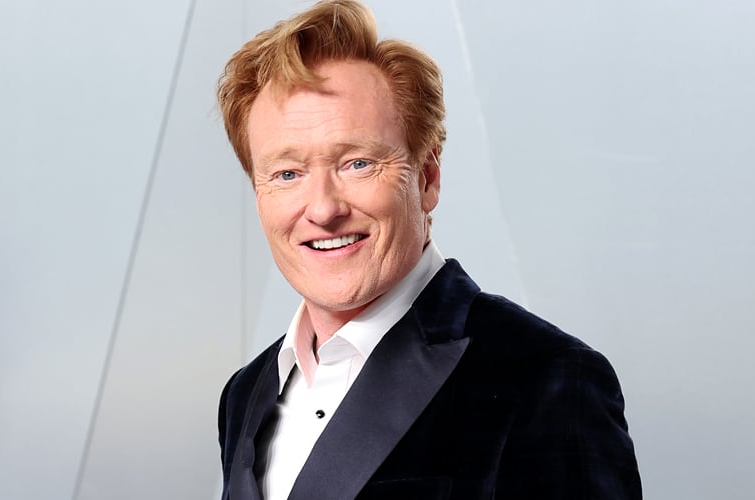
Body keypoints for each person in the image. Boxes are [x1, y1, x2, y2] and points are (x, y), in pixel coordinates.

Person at [215, 1, 642, 498]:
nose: (324, 209)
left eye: (357, 163)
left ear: (428, 177)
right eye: (287, 174)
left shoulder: (547, 377)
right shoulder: (245, 393)